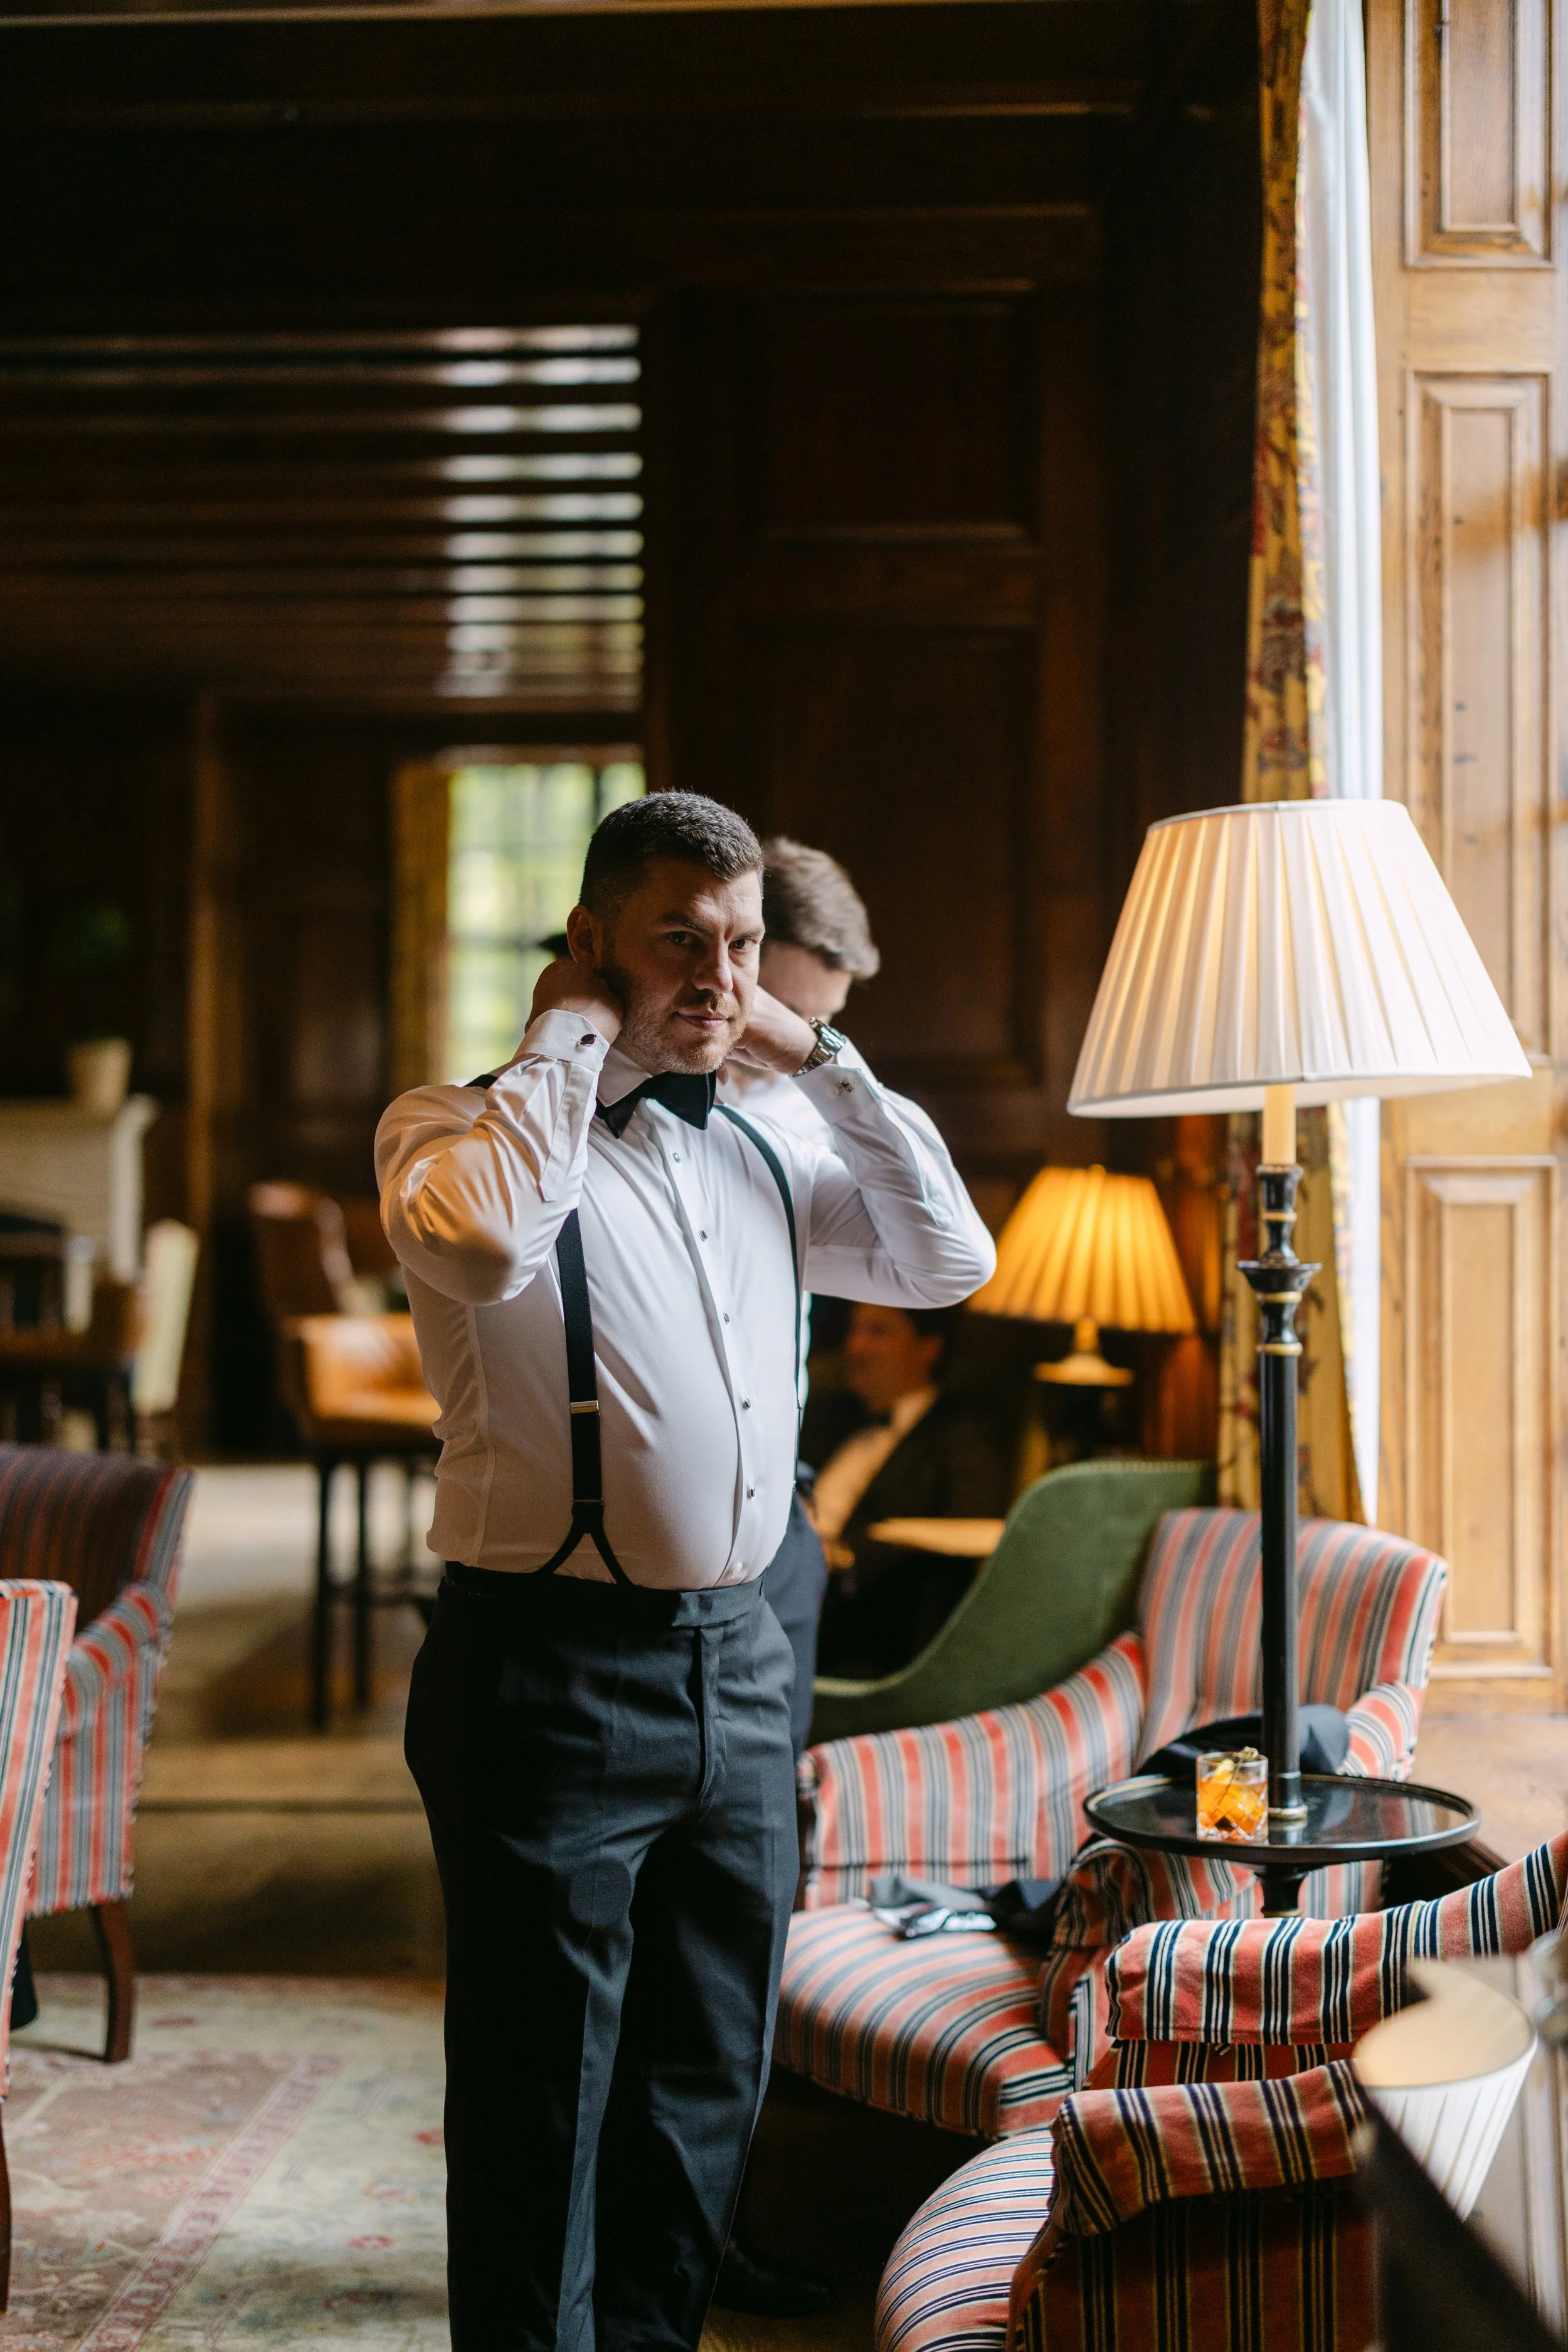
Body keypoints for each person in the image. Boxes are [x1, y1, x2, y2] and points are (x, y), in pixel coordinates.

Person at [377, 792, 995, 2352]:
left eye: (736, 940)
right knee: (542, 2090)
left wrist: (821, 1056)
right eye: (679, 938)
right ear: (588, 943)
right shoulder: (449, 1133)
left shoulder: (775, 1140)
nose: (719, 972)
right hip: (548, 1668)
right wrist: (575, 1035)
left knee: (703, 2074)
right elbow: (483, 1250)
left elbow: (946, 1259)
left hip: (742, 1660)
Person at [711, 835, 881, 2320]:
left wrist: (820, 1063)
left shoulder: (800, 1111)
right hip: (643, 1567)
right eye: (784, 1011)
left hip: (783, 1541)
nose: (785, 1050)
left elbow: (934, 1248)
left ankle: (726, 2205)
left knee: (753, 1886)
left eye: (814, 1025)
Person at [809, 1301, 1013, 1677]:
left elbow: (964, 1532)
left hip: (864, 1621)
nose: (856, 1347)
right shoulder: (823, 1418)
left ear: (928, 1346)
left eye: (878, 1332)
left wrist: (843, 1558)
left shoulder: (964, 1435)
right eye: (854, 1331)